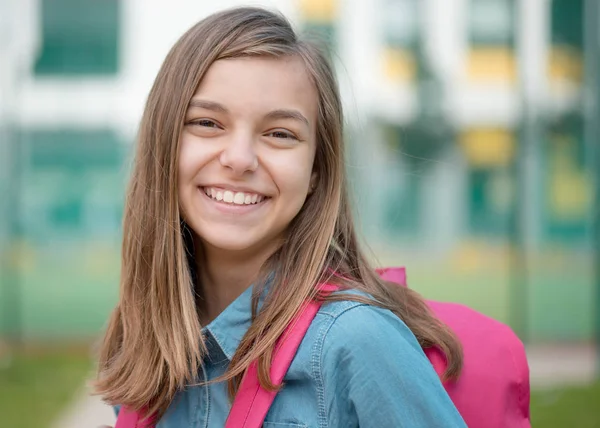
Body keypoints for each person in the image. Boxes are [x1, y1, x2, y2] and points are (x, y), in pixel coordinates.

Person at [95, 6, 467, 427]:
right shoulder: (141, 340)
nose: (239, 159)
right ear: (162, 145)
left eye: (279, 134)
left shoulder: (358, 341)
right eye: (207, 123)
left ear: (315, 171)